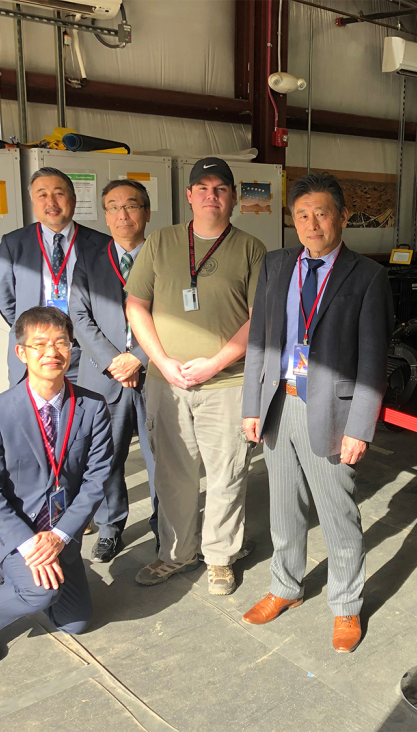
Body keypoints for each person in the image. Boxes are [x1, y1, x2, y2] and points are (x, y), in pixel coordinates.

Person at [240, 172, 393, 653]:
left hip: (331, 410)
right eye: (301, 214)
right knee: (283, 507)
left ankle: (346, 606)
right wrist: (251, 404)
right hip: (278, 402)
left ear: (342, 216)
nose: (311, 223)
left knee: (338, 514)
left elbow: (374, 360)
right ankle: (285, 588)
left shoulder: (367, 275)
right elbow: (260, 341)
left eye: (321, 213)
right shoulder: (276, 264)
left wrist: (360, 427)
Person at [125, 157, 265, 595]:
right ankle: (176, 553)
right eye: (202, 188)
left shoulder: (251, 248)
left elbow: (260, 319)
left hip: (227, 383)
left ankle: (221, 557)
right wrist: (162, 363)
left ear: (233, 197)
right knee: (173, 473)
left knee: (227, 474)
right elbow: (136, 305)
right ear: (188, 196)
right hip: (167, 384)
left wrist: (214, 364)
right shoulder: (161, 243)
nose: (211, 196)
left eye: (220, 188)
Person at [0, 306, 112, 664]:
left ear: (72, 349)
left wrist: (59, 536)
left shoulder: (93, 406)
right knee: (40, 594)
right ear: (21, 352)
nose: (51, 353)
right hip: (12, 532)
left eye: (61, 343)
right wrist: (27, 545)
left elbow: (97, 477)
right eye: (39, 344)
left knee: (76, 622)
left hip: (59, 531)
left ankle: (18, 583)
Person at [70, 179, 158, 563]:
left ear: (147, 212)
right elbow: (78, 314)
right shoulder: (89, 258)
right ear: (105, 215)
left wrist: (138, 356)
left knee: (163, 457)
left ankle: (166, 526)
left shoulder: (163, 256)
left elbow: (173, 314)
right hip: (104, 378)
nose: (123, 215)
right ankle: (110, 527)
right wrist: (113, 360)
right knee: (105, 458)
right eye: (113, 207)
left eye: (131, 206)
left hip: (156, 373)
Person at [0, 167, 111, 386]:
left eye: (59, 193)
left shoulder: (102, 244)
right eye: (42, 195)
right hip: (36, 353)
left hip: (85, 351)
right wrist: (36, 333)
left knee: (86, 414)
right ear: (33, 201)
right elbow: (5, 299)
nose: (51, 202)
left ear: (73, 199)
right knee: (37, 418)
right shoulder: (13, 243)